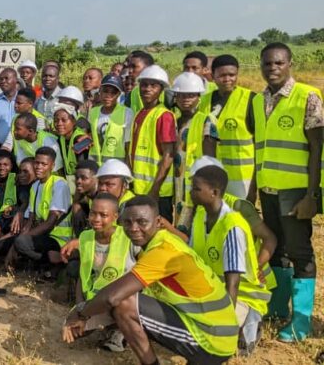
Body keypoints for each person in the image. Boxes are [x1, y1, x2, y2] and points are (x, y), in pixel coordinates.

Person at [62, 196, 239, 365]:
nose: (133, 228)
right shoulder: (159, 243)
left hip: (213, 341)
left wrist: (81, 312)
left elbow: (112, 297)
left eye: (142, 222)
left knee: (123, 303)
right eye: (127, 222)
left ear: (158, 222)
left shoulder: (163, 251)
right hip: (214, 330)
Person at [254, 42, 323, 342]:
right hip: (268, 188)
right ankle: (278, 307)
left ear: (290, 63)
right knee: (277, 250)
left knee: (299, 252)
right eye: (267, 64)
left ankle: (302, 321)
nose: (273, 68)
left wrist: (313, 195)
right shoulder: (258, 101)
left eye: (279, 63)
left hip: (295, 190)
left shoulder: (307, 96)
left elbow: (317, 149)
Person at [189, 165, 273, 355]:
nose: (191, 193)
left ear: (214, 193)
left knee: (209, 331)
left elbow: (233, 283)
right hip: (212, 289)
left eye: (196, 189)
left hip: (242, 295)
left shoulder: (232, 225)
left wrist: (224, 323)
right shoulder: (201, 214)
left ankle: (248, 320)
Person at [74, 193, 139, 353]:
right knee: (72, 331)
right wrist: (80, 310)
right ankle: (105, 324)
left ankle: (120, 330)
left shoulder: (129, 238)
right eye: (92, 213)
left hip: (123, 303)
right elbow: (82, 277)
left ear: (115, 216)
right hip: (96, 302)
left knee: (120, 305)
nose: (96, 219)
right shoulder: (85, 237)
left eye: (103, 215)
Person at [198, 55, 257, 201]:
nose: (227, 79)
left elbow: (259, 142)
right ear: (213, 76)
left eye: (232, 75)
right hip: (213, 177)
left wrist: (254, 187)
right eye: (222, 75)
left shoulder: (250, 99)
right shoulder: (204, 101)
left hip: (243, 179)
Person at [129, 65, 176, 222]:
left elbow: (168, 155)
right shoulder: (140, 114)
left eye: (153, 85)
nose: (147, 89)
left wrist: (155, 190)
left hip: (158, 193)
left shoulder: (164, 116)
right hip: (140, 189)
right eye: (144, 84)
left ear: (161, 89)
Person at [12, 147, 72, 268]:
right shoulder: (35, 186)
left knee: (22, 242)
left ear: (52, 166)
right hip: (44, 235)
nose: (39, 167)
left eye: (44, 164)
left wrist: (22, 240)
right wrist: (14, 246)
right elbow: (30, 221)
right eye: (37, 163)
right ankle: (41, 264)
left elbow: (50, 222)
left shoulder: (59, 184)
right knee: (7, 244)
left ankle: (54, 261)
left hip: (59, 239)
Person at [173, 72, 217, 205]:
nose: (185, 99)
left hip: (198, 185)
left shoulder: (206, 120)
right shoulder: (175, 121)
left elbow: (210, 158)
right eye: (181, 95)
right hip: (179, 185)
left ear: (199, 97)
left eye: (191, 95)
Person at [88, 74, 132, 165]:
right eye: (105, 91)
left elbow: (128, 144)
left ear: (119, 94)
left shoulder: (127, 113)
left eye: (113, 93)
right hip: (95, 166)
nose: (108, 96)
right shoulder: (93, 112)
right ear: (100, 91)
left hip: (116, 167)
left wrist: (128, 169)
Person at [53, 104, 92, 182]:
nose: (59, 123)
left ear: (74, 121)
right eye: (56, 121)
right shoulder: (61, 138)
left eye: (64, 120)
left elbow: (82, 169)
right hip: (71, 180)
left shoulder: (80, 139)